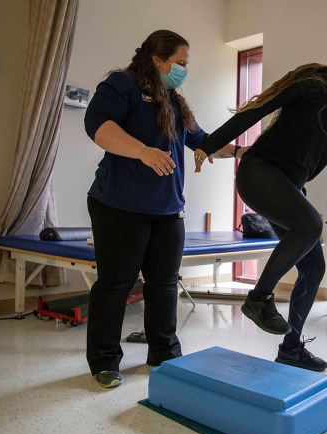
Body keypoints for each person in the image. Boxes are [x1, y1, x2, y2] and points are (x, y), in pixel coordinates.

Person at [194, 27, 327, 372]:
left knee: (314, 266)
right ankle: (258, 299)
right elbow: (256, 111)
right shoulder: (313, 84)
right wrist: (209, 143)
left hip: (288, 187)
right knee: (309, 226)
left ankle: (291, 348)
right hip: (259, 172)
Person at [83, 30, 240, 387]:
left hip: (167, 209)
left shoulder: (172, 101)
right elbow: (99, 127)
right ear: (157, 59)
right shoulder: (122, 84)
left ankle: (164, 353)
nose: (185, 70)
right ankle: (105, 361)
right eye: (181, 63)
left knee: (165, 283)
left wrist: (244, 153)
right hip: (119, 205)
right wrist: (142, 151)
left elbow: (203, 141)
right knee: (115, 284)